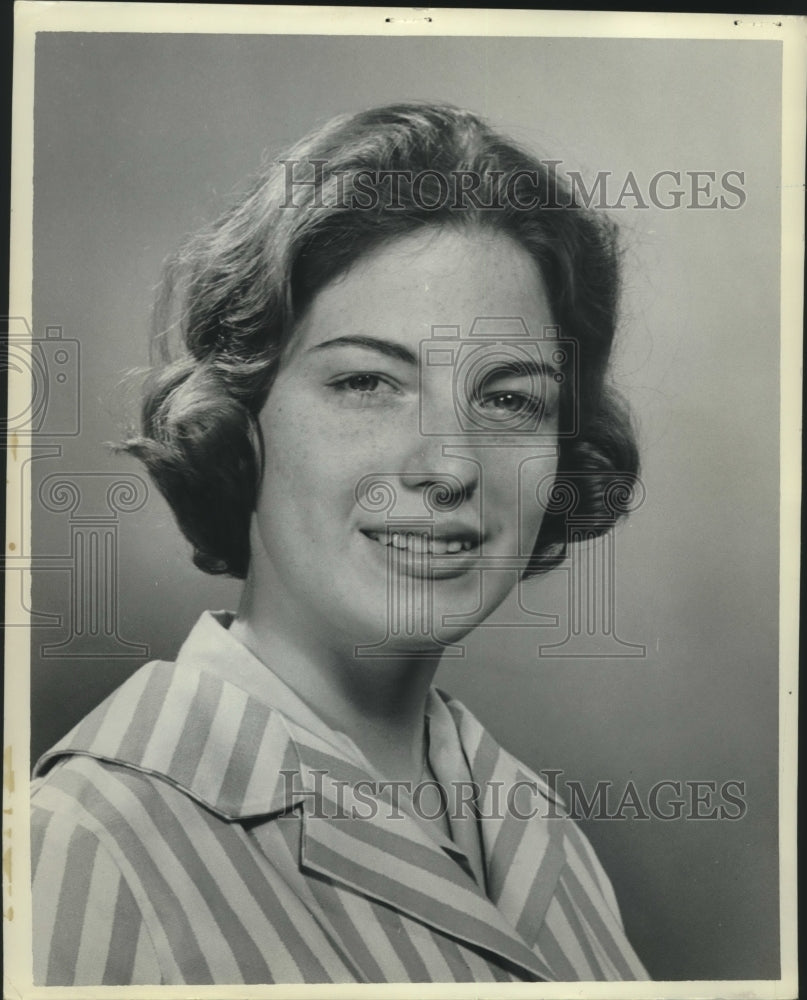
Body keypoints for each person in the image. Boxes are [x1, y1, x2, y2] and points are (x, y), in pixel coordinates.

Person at [30, 102, 647, 984]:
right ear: (240, 424)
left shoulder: (540, 834)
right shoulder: (88, 845)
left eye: (510, 399)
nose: (447, 463)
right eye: (366, 382)